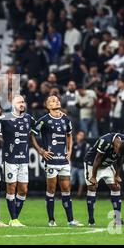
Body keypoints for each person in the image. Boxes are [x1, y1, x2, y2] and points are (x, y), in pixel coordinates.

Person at [31, 95, 84, 227]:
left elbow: (69, 135)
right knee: (51, 190)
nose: (56, 101)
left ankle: (71, 220)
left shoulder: (66, 119)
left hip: (64, 161)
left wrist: (70, 150)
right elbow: (32, 134)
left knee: (66, 189)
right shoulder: (44, 120)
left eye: (57, 100)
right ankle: (51, 220)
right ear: (48, 106)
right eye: (52, 100)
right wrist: (41, 151)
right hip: (51, 161)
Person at [0, 95, 37, 227]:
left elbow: (39, 128)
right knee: (11, 187)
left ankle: (15, 217)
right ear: (13, 104)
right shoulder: (4, 119)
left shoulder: (29, 118)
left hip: (24, 159)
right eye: (19, 102)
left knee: (23, 189)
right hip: (10, 159)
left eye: (23, 101)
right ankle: (14, 219)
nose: (22, 104)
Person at [84, 133, 124, 226]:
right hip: (93, 163)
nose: (118, 154)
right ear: (117, 145)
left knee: (116, 187)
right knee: (92, 187)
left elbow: (120, 159)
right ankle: (91, 220)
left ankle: (117, 218)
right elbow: (97, 158)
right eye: (118, 151)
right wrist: (93, 177)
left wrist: (117, 175)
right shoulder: (105, 141)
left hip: (107, 165)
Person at [70, 131, 89, 197]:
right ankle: (67, 194)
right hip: (74, 164)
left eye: (82, 135)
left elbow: (86, 155)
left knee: (82, 181)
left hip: (81, 166)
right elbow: (70, 154)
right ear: (77, 135)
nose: (81, 136)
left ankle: (79, 195)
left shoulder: (85, 144)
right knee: (71, 180)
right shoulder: (73, 143)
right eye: (80, 135)